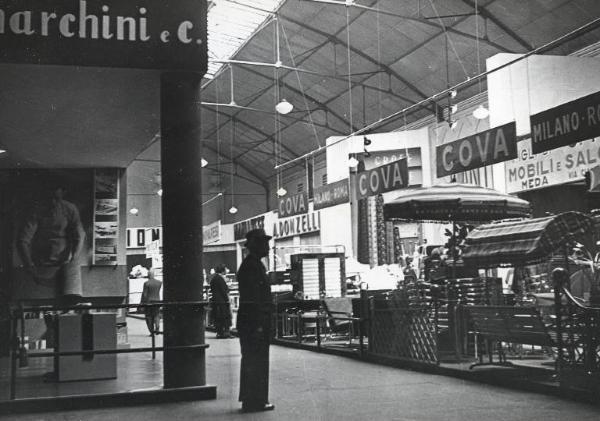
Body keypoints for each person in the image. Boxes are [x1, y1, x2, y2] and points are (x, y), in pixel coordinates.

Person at [17, 179, 85, 304]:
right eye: (50, 198)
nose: (53, 203)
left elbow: (80, 235)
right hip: (42, 263)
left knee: (71, 302)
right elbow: (23, 239)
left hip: (65, 263)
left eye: (56, 198)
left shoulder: (70, 209)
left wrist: (74, 257)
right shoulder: (37, 210)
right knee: (43, 302)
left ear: (62, 194)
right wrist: (29, 264)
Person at [236, 228, 275, 413]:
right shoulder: (253, 266)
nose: (268, 246)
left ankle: (253, 399)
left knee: (252, 361)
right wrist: (259, 325)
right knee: (257, 361)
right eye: (264, 242)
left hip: (251, 323)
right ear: (256, 245)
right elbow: (253, 299)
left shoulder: (251, 264)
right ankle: (256, 401)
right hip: (255, 323)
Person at [210, 264, 232, 338]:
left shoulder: (213, 278)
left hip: (215, 300)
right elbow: (223, 291)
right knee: (224, 316)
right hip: (221, 301)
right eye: (225, 269)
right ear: (222, 271)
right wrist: (227, 300)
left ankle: (219, 332)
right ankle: (225, 333)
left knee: (217, 317)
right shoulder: (220, 279)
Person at [140, 268, 162, 335]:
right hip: (157, 301)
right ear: (154, 275)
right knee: (156, 315)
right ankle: (157, 328)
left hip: (149, 302)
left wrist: (141, 303)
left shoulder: (146, 283)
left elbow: (144, 294)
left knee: (149, 317)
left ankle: (152, 331)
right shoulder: (159, 283)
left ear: (148, 275)